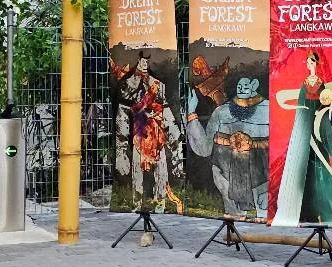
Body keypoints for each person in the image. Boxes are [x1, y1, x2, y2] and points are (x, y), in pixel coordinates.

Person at [273, 49, 332, 226]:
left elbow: (325, 105)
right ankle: (303, 211)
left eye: (312, 62)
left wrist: (331, 105)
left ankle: (321, 209)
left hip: (317, 126)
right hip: (305, 129)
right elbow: (301, 108)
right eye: (308, 63)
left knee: (319, 166)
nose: (310, 65)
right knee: (304, 166)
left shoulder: (321, 84)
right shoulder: (305, 84)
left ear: (316, 64)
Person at [186, 73, 269, 218]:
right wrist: (192, 113)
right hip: (226, 176)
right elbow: (204, 148)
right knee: (233, 221)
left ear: (254, 85)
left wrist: (254, 144)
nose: (242, 89)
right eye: (239, 85)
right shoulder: (221, 112)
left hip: (262, 180)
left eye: (246, 85)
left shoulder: (268, 109)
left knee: (263, 215)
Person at [112, 47, 182, 212]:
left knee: (162, 173)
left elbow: (169, 118)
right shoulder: (127, 90)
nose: (144, 64)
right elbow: (122, 119)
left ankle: (160, 206)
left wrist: (177, 150)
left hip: (157, 138)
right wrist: (121, 151)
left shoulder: (159, 88)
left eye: (146, 61)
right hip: (139, 136)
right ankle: (137, 206)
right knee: (137, 175)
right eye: (141, 61)